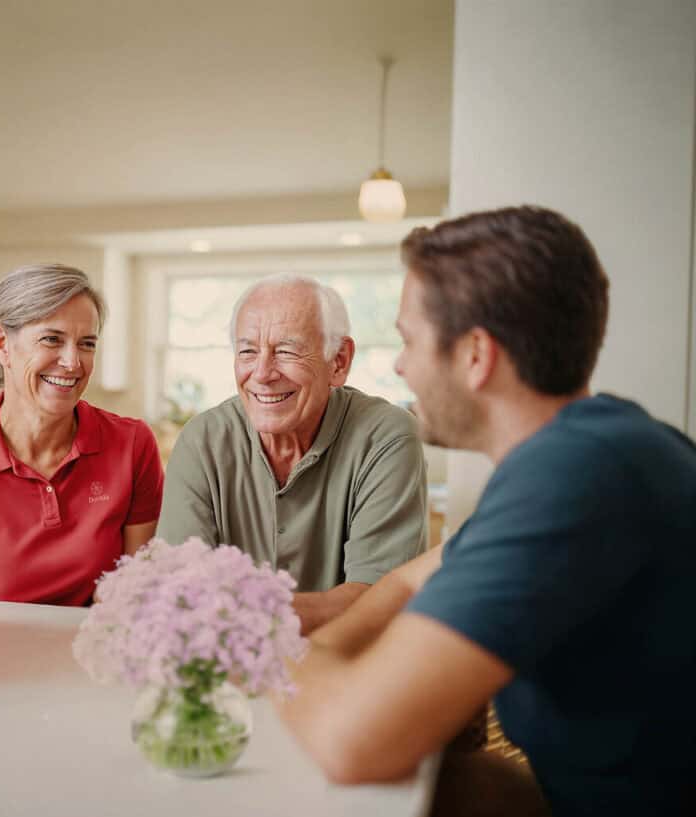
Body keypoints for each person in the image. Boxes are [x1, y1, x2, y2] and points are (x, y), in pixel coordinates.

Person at [276, 206, 696, 816]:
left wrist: (269, 652)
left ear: (476, 354)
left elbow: (350, 742)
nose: (400, 365)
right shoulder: (598, 442)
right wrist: (322, 651)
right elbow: (413, 578)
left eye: (408, 339)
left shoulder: (577, 472)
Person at [157, 274, 428, 633]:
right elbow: (178, 590)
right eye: (248, 351)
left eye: (286, 350)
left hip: (351, 667)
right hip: (223, 669)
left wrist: (230, 612)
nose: (263, 373)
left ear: (339, 361)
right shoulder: (203, 438)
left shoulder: (386, 436)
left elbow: (377, 602)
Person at [0, 264, 163, 604]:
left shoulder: (132, 445)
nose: (73, 362)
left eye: (87, 344)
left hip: (101, 647)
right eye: (52, 339)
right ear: (2, 343)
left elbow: (136, 591)